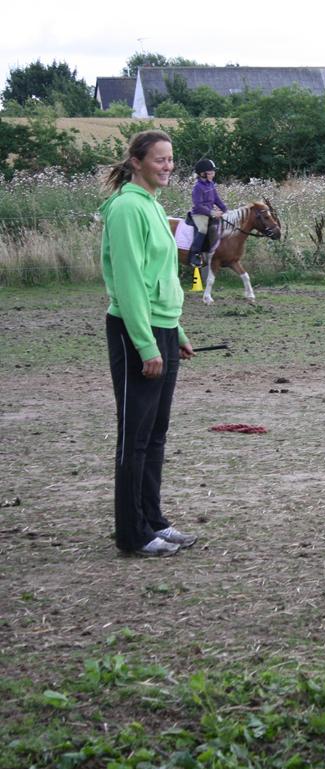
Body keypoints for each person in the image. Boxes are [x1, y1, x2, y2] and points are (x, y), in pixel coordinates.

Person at [100, 130, 199, 557]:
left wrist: (174, 333)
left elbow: (159, 278)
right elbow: (129, 281)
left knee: (155, 435)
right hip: (133, 332)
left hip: (160, 329)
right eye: (159, 159)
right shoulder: (126, 209)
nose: (167, 166)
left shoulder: (155, 207)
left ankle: (153, 521)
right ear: (137, 161)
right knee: (134, 438)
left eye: (171, 159)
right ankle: (132, 534)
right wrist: (146, 345)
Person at [190, 158, 226, 268]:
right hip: (199, 214)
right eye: (211, 172)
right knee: (203, 229)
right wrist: (213, 213)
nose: (213, 174)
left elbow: (217, 199)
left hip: (209, 213)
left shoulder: (211, 184)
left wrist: (226, 210)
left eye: (213, 172)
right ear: (202, 174)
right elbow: (198, 205)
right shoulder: (198, 187)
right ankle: (194, 254)